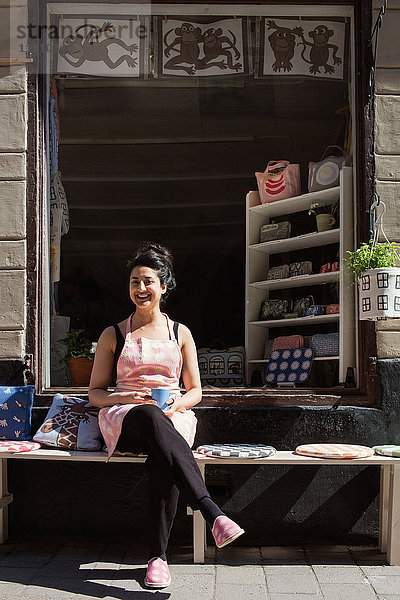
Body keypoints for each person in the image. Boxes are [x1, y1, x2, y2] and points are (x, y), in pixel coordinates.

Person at [88, 242, 244, 589]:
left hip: (171, 415)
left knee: (163, 446)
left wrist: (176, 405)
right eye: (133, 282)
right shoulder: (113, 334)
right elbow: (95, 393)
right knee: (149, 416)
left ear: (163, 286)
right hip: (125, 417)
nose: (140, 289)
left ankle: (157, 560)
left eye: (147, 281)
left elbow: (196, 391)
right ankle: (210, 511)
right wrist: (124, 394)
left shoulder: (180, 333)